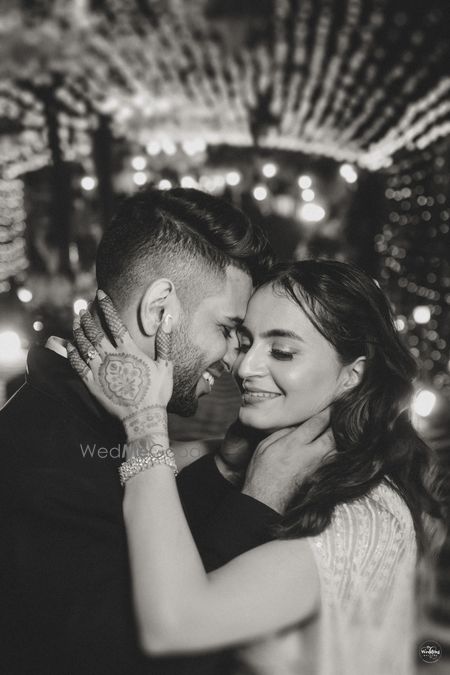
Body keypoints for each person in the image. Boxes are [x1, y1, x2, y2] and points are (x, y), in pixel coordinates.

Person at [70, 259, 447, 675]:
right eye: (246, 343)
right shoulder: (279, 462)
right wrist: (223, 466)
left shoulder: (361, 518)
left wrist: (144, 423)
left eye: (282, 352)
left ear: (352, 375)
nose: (245, 368)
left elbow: (174, 626)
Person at [0, 188, 314, 675]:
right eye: (227, 329)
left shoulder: (86, 421)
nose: (235, 360)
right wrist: (259, 500)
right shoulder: (48, 470)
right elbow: (167, 660)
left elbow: (155, 539)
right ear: (159, 309)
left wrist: (221, 468)